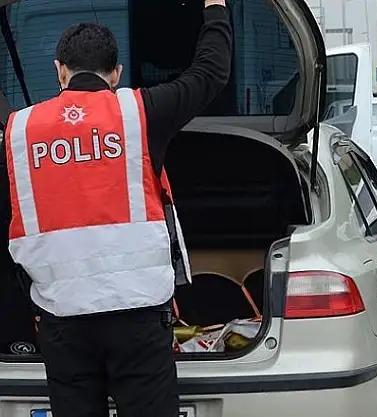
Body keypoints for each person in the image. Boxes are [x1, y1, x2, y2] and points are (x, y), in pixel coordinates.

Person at [0, 0, 232, 416]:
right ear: (116, 73)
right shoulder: (140, 113)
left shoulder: (19, 131)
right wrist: (215, 7)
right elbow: (210, 73)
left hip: (61, 320)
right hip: (138, 320)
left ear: (59, 71)